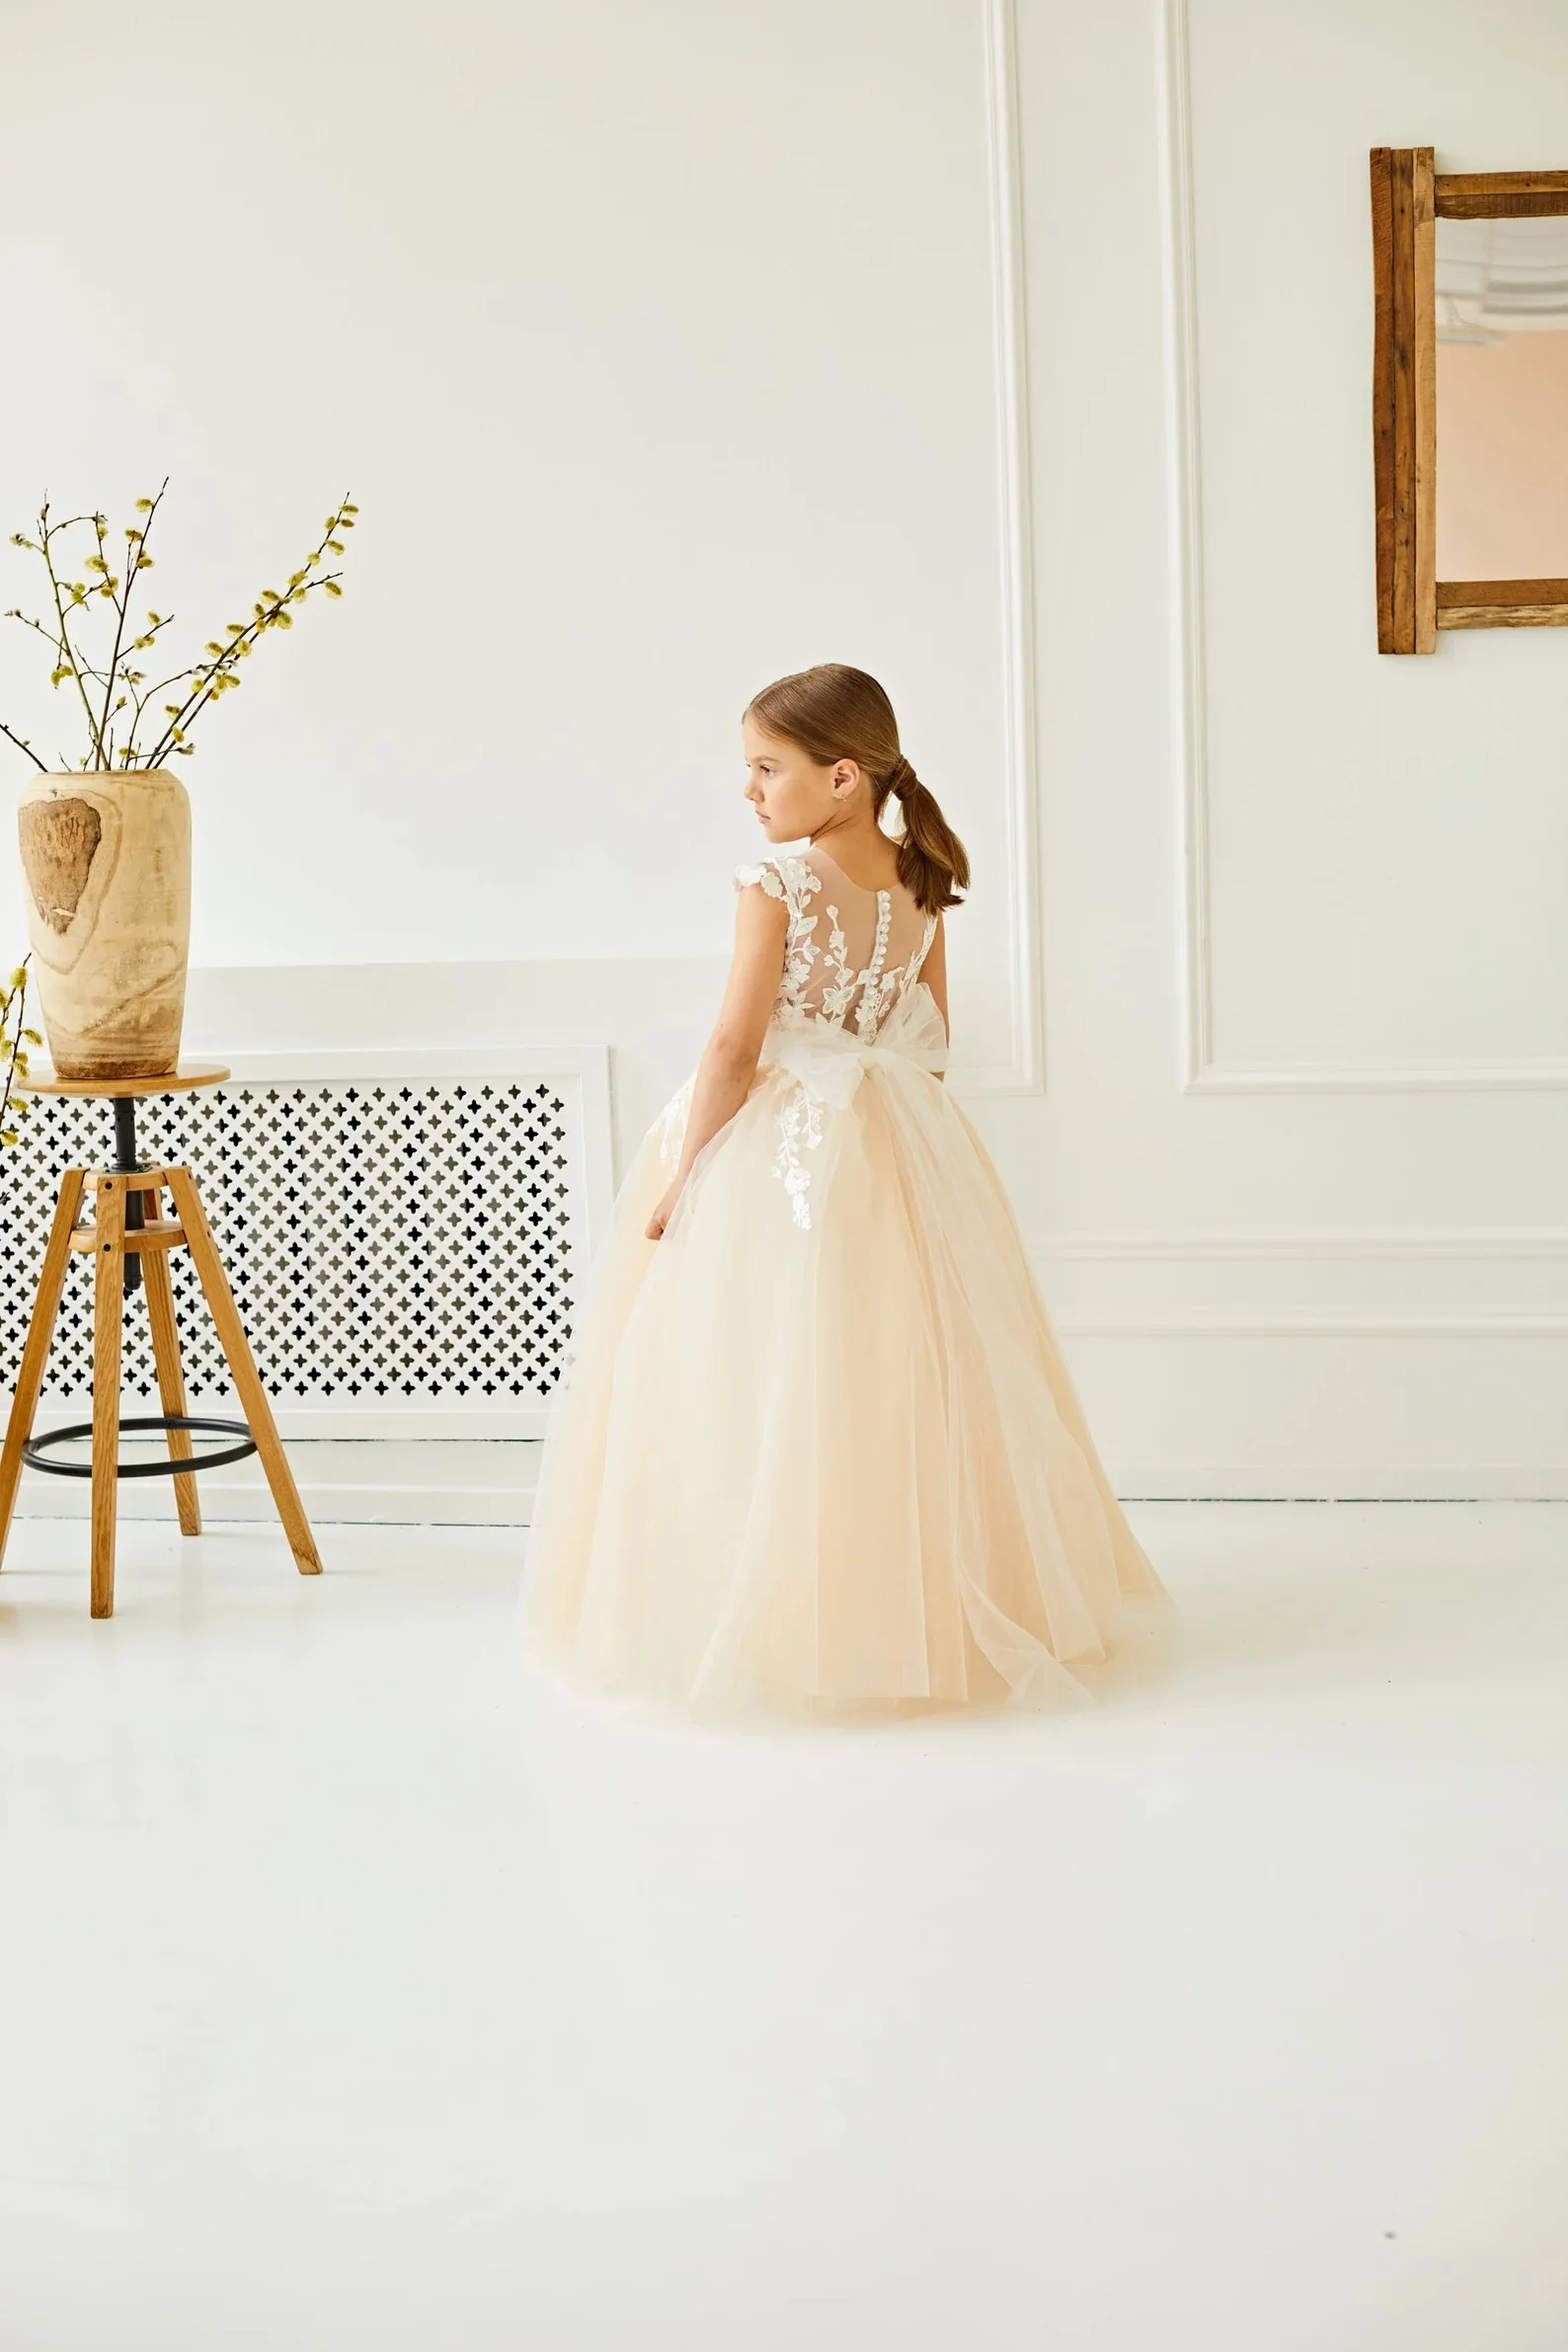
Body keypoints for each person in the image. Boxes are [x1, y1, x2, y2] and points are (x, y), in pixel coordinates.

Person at [522, 662, 1168, 1718]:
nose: (749, 792)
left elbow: (733, 1046)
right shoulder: (920, 883)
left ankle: (772, 1616)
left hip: (777, 1149)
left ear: (841, 776)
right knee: (887, 1381)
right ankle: (907, 1607)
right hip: (894, 1145)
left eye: (766, 769)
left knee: (756, 1375)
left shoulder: (772, 887)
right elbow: (934, 1045)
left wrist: (689, 1171)